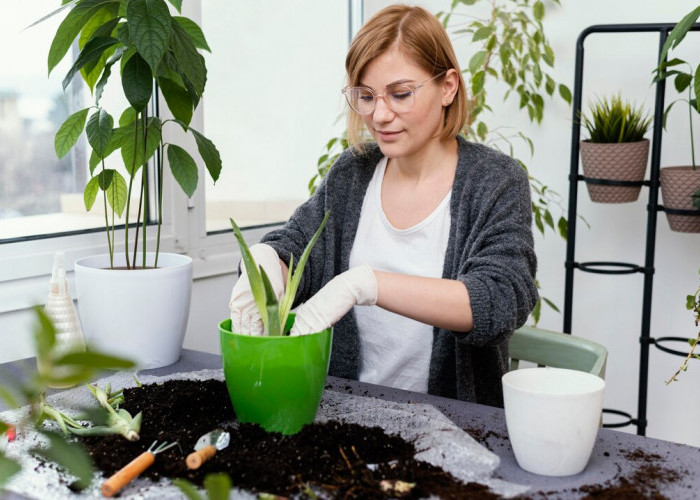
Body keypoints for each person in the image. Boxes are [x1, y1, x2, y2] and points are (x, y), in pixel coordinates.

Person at [229, 4, 538, 407]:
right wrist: (267, 263)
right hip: (348, 415)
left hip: (453, 425)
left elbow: (499, 300)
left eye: (400, 94)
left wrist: (368, 284)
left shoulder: (495, 181)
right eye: (367, 96)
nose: (380, 115)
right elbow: (298, 244)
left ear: (448, 87)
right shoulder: (353, 173)